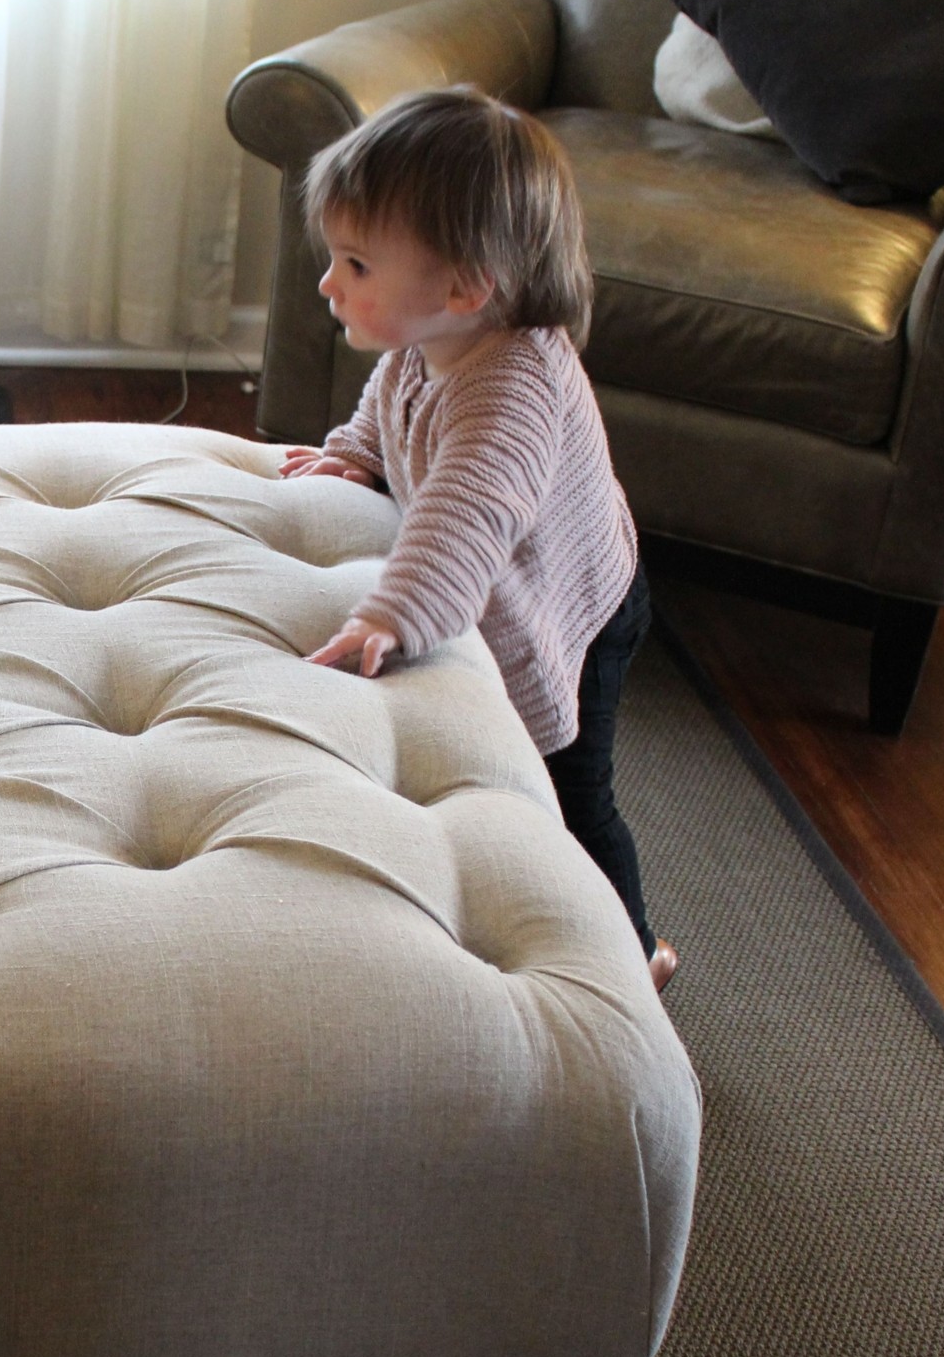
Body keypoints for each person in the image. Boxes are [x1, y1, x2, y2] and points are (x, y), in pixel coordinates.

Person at [286, 86, 676, 992]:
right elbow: (393, 402)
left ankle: (634, 953)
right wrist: (355, 456)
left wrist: (394, 613)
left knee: (572, 795)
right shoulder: (438, 334)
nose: (328, 283)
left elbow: (468, 512)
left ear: (465, 286)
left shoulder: (512, 388)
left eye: (355, 263)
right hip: (530, 568)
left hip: (585, 602)